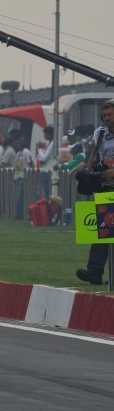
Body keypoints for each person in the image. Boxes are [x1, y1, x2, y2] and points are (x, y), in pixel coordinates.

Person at [77, 99, 114, 284]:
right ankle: (95, 272)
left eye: (110, 115)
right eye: (104, 115)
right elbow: (94, 154)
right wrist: (88, 173)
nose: (107, 119)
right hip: (106, 187)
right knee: (103, 230)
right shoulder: (100, 133)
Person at [37, 127, 57, 199]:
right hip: (44, 170)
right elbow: (42, 158)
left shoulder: (53, 144)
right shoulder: (48, 143)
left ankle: (48, 208)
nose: (44, 135)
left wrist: (39, 149)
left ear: (50, 134)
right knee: (45, 192)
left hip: (48, 170)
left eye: (45, 134)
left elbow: (44, 159)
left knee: (47, 193)